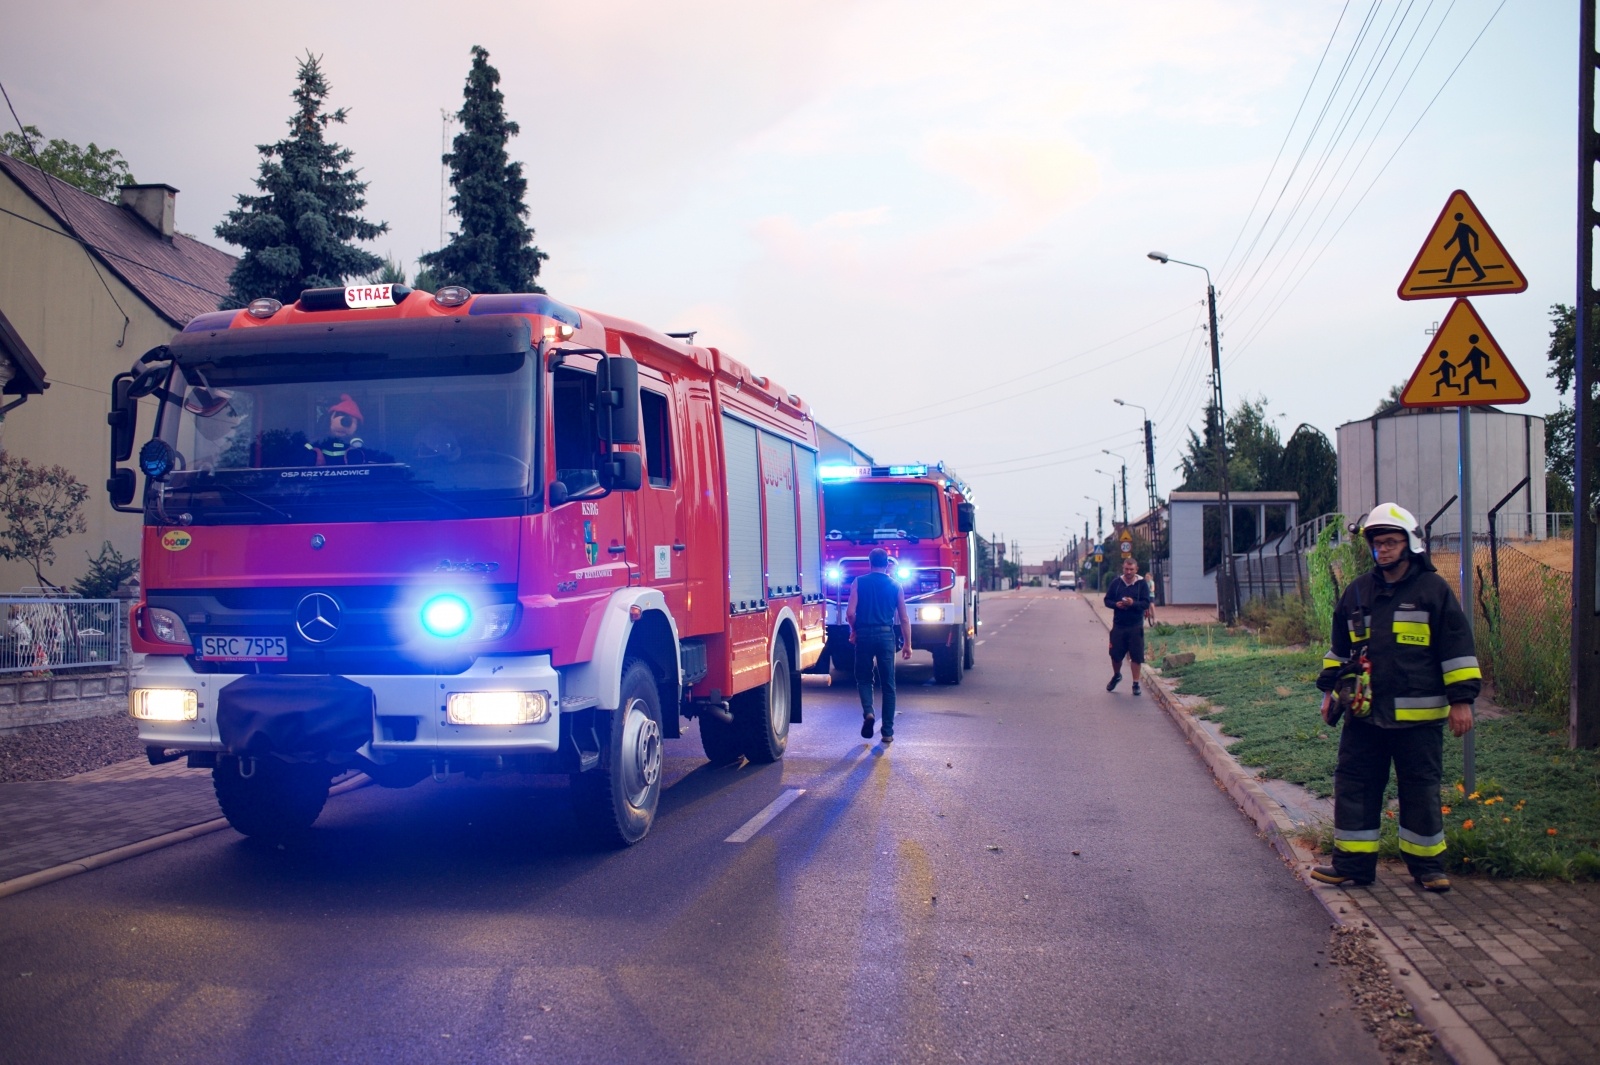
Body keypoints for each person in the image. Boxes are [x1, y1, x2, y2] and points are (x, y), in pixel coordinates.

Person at [1312, 502, 1479, 893]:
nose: (1382, 550)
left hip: (1418, 721)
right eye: (1377, 543)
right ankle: (1352, 865)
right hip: (1364, 716)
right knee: (1355, 785)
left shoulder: (1433, 591)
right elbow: (1340, 650)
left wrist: (1462, 700)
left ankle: (1428, 868)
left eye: (1390, 542)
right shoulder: (1357, 592)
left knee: (1419, 789)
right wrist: (1329, 693)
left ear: (1410, 543)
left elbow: (1456, 648)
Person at [847, 547, 912, 744]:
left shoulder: (858, 582)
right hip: (886, 636)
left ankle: (868, 712)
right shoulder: (896, 586)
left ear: (870, 562)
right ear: (887, 564)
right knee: (888, 685)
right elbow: (904, 618)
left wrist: (854, 630)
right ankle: (887, 732)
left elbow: (850, 613)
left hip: (865, 635)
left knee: (865, 679)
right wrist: (908, 644)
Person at [1104, 555, 1152, 696]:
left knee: (1136, 656)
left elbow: (1145, 603)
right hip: (1119, 625)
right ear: (1123, 568)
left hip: (1135, 626)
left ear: (1136, 569)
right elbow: (1107, 600)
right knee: (1115, 655)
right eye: (1126, 569)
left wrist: (1133, 603)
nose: (1128, 572)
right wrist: (1116, 604)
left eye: (1131, 569)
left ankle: (1135, 684)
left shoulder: (1142, 584)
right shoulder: (1116, 583)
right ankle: (1117, 675)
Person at [306, 394, 380, 465]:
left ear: (357, 427)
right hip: (323, 474)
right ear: (328, 421)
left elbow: (364, 449)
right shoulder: (323, 439)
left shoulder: (353, 441)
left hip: (351, 474)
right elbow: (308, 446)